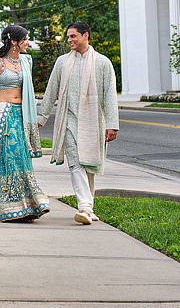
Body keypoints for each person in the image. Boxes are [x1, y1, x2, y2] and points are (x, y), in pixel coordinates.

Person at [38, 21, 119, 225]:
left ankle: (88, 208)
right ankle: (84, 207)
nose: (69, 40)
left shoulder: (102, 63)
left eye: (73, 36)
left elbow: (110, 96)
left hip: (93, 122)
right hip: (69, 121)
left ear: (86, 36)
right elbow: (51, 90)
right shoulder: (62, 62)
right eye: (68, 37)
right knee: (76, 162)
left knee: (88, 165)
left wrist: (112, 124)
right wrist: (42, 117)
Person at [0, 25, 50, 222]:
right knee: (11, 157)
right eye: (25, 39)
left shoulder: (26, 61)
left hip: (22, 113)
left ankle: (28, 205)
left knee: (23, 157)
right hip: (5, 113)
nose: (28, 43)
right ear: (14, 41)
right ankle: (11, 206)